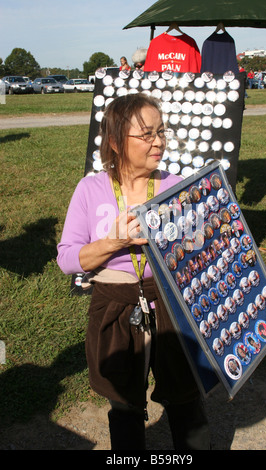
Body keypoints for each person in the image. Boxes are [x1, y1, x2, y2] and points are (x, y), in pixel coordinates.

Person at [57, 93, 210, 450]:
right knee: (124, 404)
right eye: (146, 134)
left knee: (185, 398)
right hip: (114, 309)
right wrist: (114, 242)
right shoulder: (91, 189)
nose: (158, 142)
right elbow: (68, 259)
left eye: (161, 131)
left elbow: (204, 253)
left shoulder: (178, 187)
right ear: (114, 141)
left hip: (172, 310)